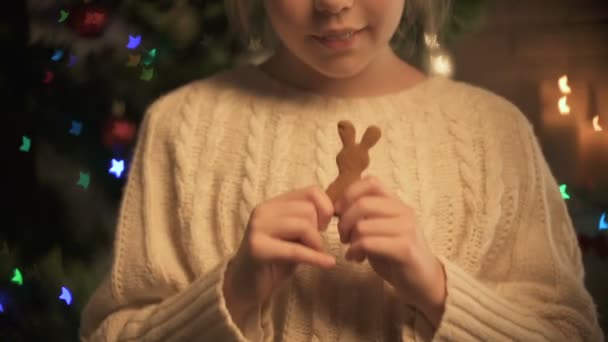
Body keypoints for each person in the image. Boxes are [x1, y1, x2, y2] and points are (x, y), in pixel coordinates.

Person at [79, 0, 605, 341]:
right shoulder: (182, 126)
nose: (333, 4)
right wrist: (232, 293)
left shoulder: (495, 131)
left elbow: (568, 332)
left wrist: (440, 292)